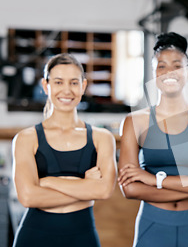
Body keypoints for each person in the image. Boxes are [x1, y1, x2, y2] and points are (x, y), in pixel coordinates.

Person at [118, 32, 188, 247]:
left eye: (177, 65)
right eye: (161, 66)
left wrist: (154, 180)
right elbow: (130, 189)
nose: (169, 72)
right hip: (153, 225)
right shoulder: (135, 122)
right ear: (153, 74)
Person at [12, 53, 117, 247]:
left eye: (74, 83)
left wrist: (47, 182)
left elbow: (103, 191)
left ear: (83, 86)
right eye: (58, 82)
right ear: (46, 86)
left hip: (82, 236)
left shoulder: (102, 138)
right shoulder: (26, 139)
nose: (67, 90)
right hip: (35, 236)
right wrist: (85, 187)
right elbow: (28, 197)